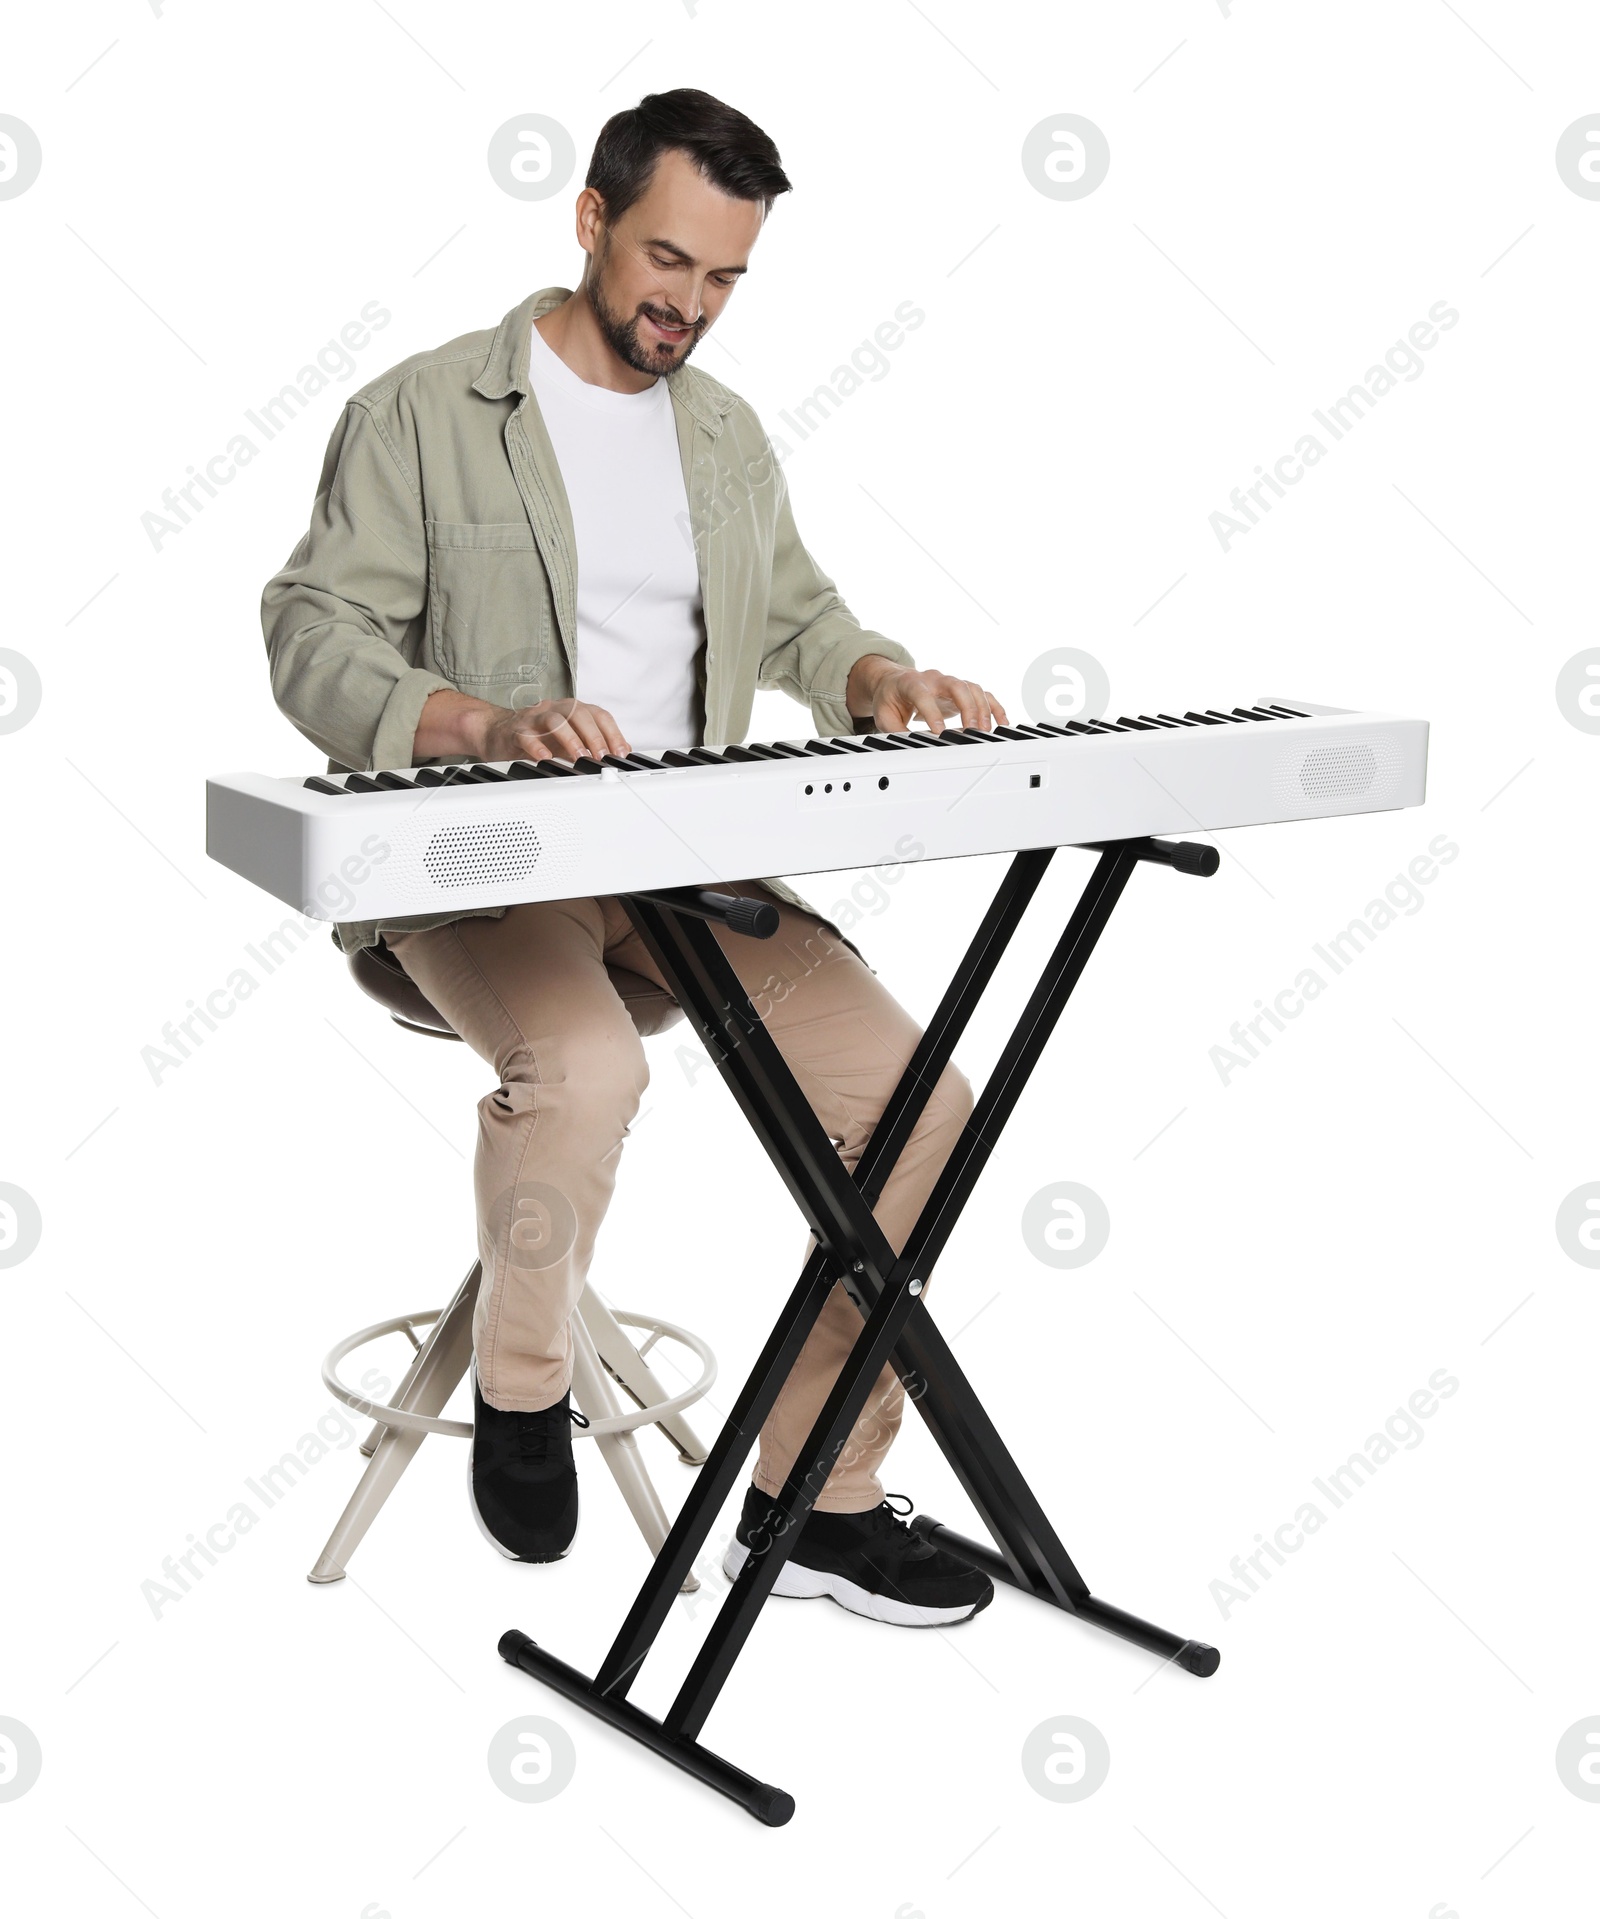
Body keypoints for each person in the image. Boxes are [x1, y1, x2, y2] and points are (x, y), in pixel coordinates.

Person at [262, 88, 1009, 1627]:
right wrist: (472, 717)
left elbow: (803, 622)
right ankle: (525, 1394)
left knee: (921, 1111)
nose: (692, 304)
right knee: (591, 1070)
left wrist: (876, 677)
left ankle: (816, 1497)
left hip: (690, 869)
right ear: (592, 219)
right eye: (671, 259)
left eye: (728, 278)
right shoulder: (418, 410)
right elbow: (310, 630)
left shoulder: (725, 438)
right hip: (476, 861)